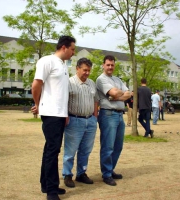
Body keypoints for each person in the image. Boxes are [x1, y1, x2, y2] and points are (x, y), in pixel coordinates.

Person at [31, 36, 76, 200]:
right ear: (64, 47)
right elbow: (36, 85)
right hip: (50, 114)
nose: (73, 53)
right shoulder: (47, 61)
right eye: (72, 49)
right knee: (53, 150)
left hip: (59, 114)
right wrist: (39, 104)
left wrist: (65, 114)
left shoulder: (63, 65)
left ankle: (46, 184)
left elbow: (60, 93)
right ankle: (51, 190)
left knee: (50, 149)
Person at [62, 58, 99, 188]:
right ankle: (67, 175)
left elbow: (95, 100)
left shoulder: (92, 83)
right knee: (70, 150)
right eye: (84, 70)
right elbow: (63, 100)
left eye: (89, 70)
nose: (87, 73)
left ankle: (81, 173)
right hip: (74, 120)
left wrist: (95, 116)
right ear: (77, 68)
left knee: (85, 150)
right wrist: (66, 116)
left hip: (90, 121)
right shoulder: (69, 83)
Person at [96, 55, 131, 186]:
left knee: (118, 146)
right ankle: (106, 174)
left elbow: (129, 93)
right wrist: (116, 95)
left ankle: (110, 170)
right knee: (108, 146)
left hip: (119, 115)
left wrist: (115, 96)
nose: (110, 67)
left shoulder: (117, 79)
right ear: (103, 65)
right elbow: (115, 93)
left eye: (112, 65)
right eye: (108, 65)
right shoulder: (101, 79)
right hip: (108, 115)